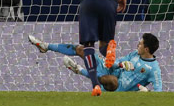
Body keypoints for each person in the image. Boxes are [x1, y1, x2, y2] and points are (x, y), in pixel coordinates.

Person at [28, 33, 162, 92]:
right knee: (83, 49)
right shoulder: (134, 54)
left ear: (146, 49)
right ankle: (46, 46)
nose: (137, 44)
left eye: (140, 44)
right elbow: (116, 63)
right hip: (111, 71)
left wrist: (147, 92)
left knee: (112, 80)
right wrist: (119, 64)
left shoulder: (154, 69)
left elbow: (159, 92)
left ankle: (80, 70)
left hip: (116, 87)